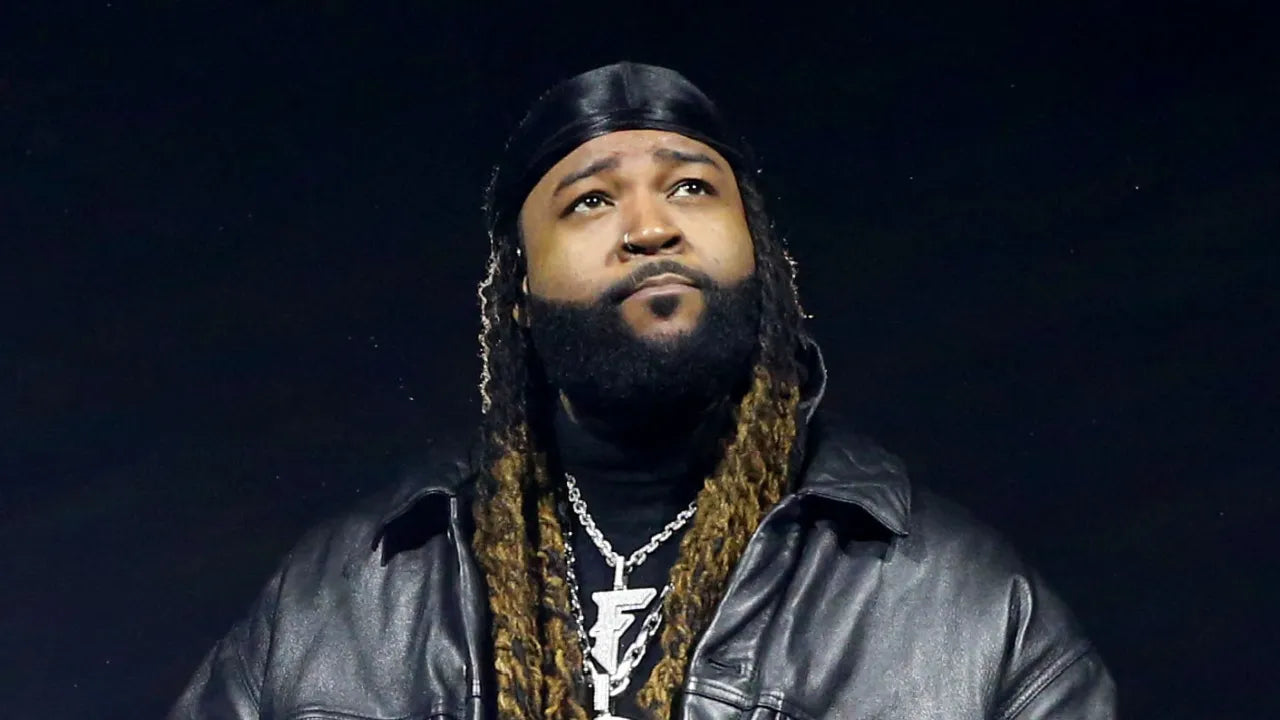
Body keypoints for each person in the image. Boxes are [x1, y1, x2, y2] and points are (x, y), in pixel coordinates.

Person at [170, 61, 1117, 720]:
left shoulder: (968, 609)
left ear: (763, 257)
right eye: (590, 200)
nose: (650, 227)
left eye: (692, 187)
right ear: (518, 294)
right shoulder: (339, 599)